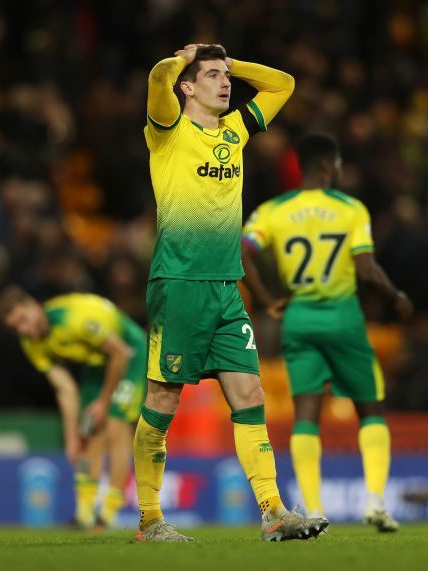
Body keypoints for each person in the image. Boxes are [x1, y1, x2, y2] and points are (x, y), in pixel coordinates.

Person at [138, 43, 327, 543]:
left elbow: (283, 83)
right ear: (188, 87)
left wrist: (226, 60)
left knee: (250, 393)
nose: (225, 83)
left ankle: (273, 511)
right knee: (162, 398)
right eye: (214, 77)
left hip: (225, 288)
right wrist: (183, 60)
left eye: (227, 77)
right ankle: (150, 519)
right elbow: (158, 78)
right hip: (178, 285)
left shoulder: (237, 131)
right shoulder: (169, 129)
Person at [241, 133, 413, 532]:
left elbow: (243, 251)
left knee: (306, 414)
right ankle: (375, 501)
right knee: (370, 407)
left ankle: (315, 509)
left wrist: (267, 298)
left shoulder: (273, 210)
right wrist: (395, 294)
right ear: (326, 166)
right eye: (336, 164)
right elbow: (366, 269)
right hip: (343, 318)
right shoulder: (351, 208)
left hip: (298, 318)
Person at [0, 286, 146, 530]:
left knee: (116, 426)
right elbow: (66, 391)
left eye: (23, 320)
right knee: (88, 432)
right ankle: (84, 513)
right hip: (96, 364)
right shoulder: (31, 344)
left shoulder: (75, 319)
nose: (23, 330)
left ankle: (107, 514)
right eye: (15, 328)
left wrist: (103, 402)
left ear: (34, 305)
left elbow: (119, 353)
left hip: (128, 354)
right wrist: (71, 438)